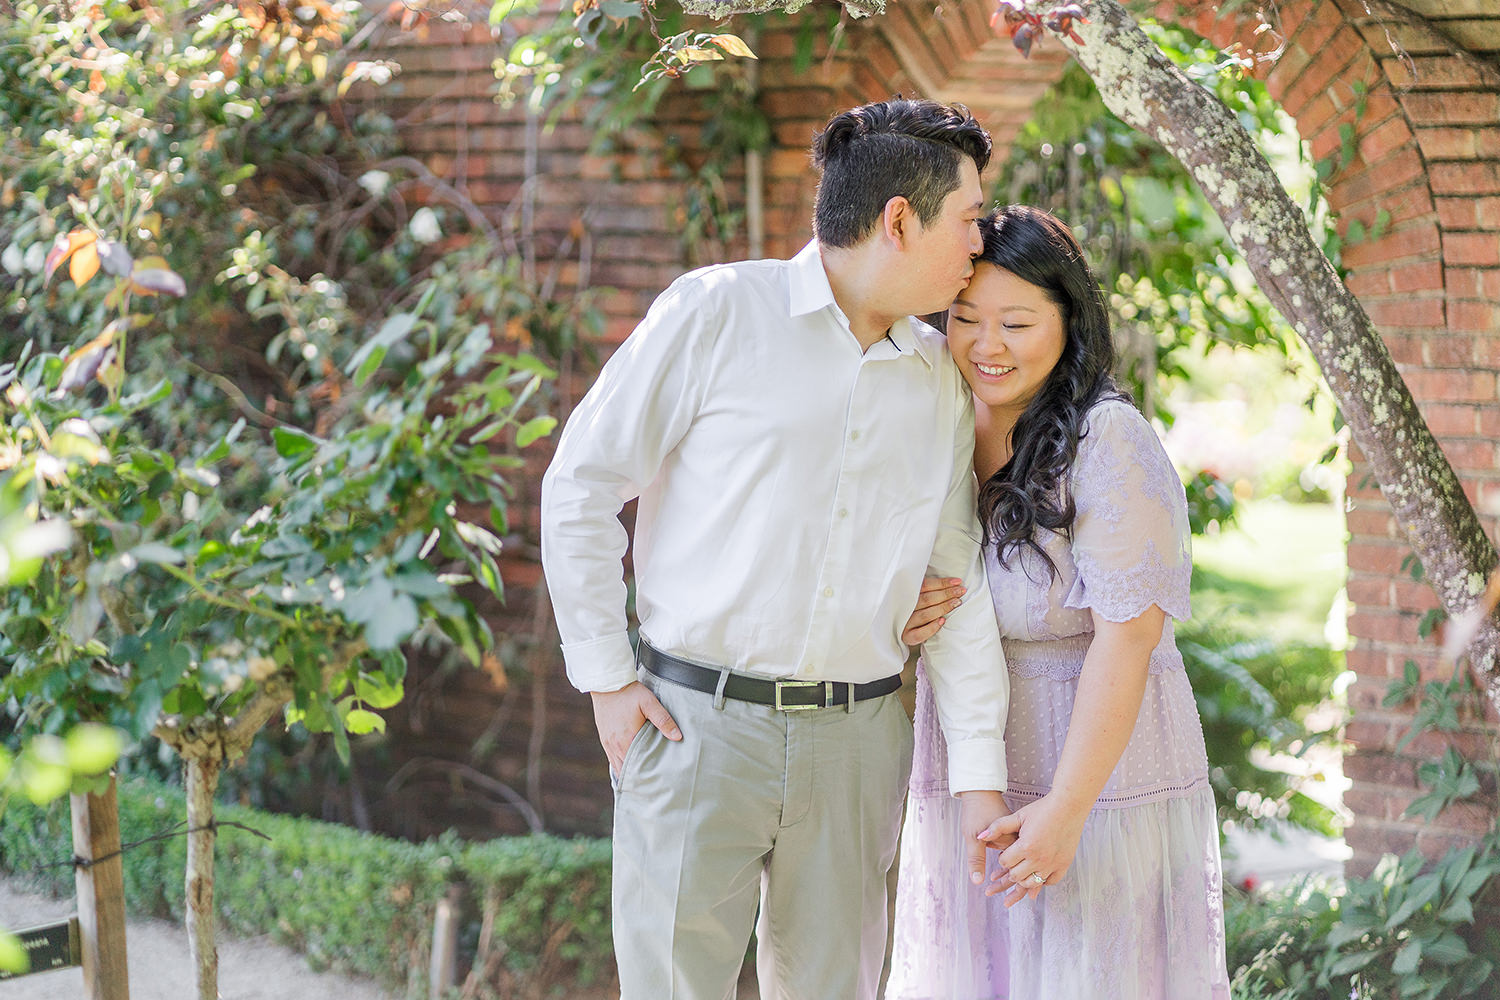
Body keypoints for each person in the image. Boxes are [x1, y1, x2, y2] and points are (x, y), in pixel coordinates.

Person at [540, 98, 1014, 1000]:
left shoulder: (940, 387)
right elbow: (582, 483)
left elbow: (953, 586)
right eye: (967, 220)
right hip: (694, 728)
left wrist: (979, 772)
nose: (978, 246)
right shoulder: (718, 312)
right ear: (900, 220)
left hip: (860, 741)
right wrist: (607, 681)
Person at [886, 206, 1231, 1000]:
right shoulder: (932, 418)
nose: (986, 345)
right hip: (974, 763)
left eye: (1016, 322)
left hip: (1097, 766)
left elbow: (1129, 639)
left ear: (1070, 324)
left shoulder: (1106, 440)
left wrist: (1070, 809)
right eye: (965, 319)